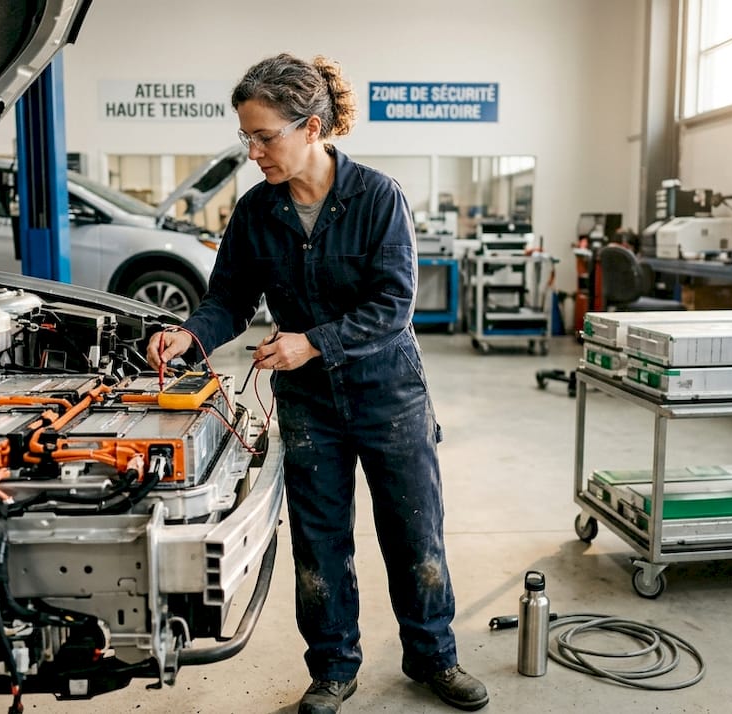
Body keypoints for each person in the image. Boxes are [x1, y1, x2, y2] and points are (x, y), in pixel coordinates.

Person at [146, 53, 489, 714]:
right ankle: (333, 666)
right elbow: (229, 301)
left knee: (414, 534)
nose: (252, 151)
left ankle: (433, 656)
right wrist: (190, 335)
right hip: (309, 406)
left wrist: (312, 342)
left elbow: (392, 307)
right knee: (319, 539)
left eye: (264, 136)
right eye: (245, 136)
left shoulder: (377, 198)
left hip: (389, 396)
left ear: (310, 127)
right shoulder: (254, 213)